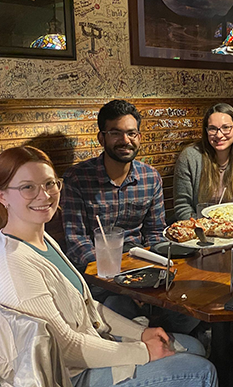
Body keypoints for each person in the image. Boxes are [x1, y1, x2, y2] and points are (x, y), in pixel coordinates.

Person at [0, 145, 220, 387]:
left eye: (50, 184)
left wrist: (140, 333)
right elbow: (66, 347)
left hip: (82, 365)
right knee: (201, 375)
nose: (44, 195)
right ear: (2, 196)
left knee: (192, 346)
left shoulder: (41, 238)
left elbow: (88, 305)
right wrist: (142, 351)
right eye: (28, 187)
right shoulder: (12, 264)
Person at [60, 100, 191, 334]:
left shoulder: (150, 177)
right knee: (118, 306)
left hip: (140, 266)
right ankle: (141, 345)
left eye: (131, 133)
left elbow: (155, 232)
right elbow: (77, 241)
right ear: (101, 138)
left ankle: (169, 344)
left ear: (139, 137)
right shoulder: (78, 178)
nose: (125, 140)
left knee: (187, 301)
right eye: (116, 133)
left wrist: (152, 274)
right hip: (98, 274)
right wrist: (122, 280)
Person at [169, 102, 233, 222]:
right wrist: (205, 227)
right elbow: (182, 207)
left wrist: (229, 228)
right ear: (206, 131)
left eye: (226, 128)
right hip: (197, 227)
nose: (219, 135)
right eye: (212, 129)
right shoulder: (189, 157)